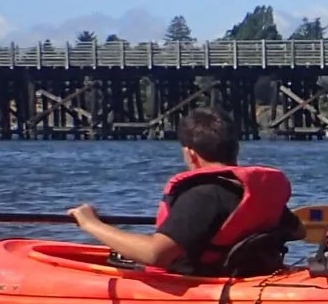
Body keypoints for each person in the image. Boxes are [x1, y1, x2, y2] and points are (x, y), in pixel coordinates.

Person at [69, 109, 295, 277]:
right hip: (249, 276)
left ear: (190, 153)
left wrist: (90, 223)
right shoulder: (250, 191)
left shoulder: (203, 195)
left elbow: (155, 255)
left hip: (203, 285)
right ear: (235, 149)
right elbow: (298, 230)